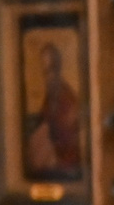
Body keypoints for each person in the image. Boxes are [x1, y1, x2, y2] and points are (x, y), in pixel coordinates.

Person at [23, 41, 84, 182]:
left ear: (58, 68)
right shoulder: (50, 95)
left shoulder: (67, 97)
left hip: (65, 159)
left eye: (51, 70)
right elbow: (43, 119)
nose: (47, 77)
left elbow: (68, 136)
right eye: (44, 72)